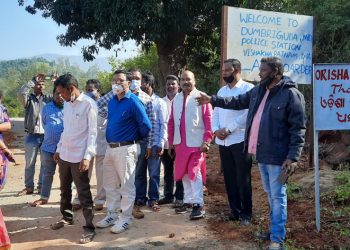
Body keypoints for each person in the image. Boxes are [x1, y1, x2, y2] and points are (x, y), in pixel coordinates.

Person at [196, 57, 306, 250]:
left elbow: (298, 129)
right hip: (262, 154)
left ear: (274, 72)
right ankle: (275, 231)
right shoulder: (259, 91)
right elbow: (236, 101)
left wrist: (293, 157)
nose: (259, 73)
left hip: (279, 156)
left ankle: (277, 241)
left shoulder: (291, 95)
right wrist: (212, 99)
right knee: (271, 195)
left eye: (263, 70)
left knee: (278, 196)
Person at [96, 69, 151, 233]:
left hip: (127, 148)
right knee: (110, 184)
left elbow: (146, 126)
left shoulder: (133, 101)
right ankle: (111, 214)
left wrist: (134, 139)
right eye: (114, 81)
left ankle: (125, 218)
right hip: (111, 148)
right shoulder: (112, 101)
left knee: (126, 186)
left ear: (128, 83)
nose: (117, 84)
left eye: (120, 81)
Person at [51, 73, 97, 244]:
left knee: (84, 193)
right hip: (65, 155)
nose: (60, 96)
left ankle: (89, 227)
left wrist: (87, 156)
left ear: (71, 89)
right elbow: (66, 129)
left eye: (61, 92)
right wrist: (59, 148)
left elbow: (93, 133)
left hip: (79, 156)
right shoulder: (68, 105)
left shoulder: (89, 105)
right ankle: (67, 217)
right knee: (64, 189)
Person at [212, 59, 254, 225]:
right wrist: (216, 130)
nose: (224, 73)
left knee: (243, 178)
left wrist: (228, 129)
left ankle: (246, 214)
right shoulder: (221, 91)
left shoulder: (248, 89)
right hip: (223, 142)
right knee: (229, 178)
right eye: (223, 71)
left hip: (239, 140)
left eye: (227, 70)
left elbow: (247, 114)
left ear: (237, 70)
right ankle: (234, 211)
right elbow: (215, 113)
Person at [168, 70, 213, 220]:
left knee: (194, 172)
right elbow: (172, 122)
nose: (186, 82)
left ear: (194, 81)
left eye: (189, 79)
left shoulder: (202, 97)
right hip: (180, 143)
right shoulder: (177, 99)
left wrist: (207, 140)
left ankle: (199, 205)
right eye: (183, 80)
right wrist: (171, 143)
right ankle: (188, 201)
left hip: (197, 143)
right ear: (180, 83)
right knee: (184, 173)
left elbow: (209, 121)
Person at [71, 79, 107, 211]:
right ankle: (79, 198)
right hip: (86, 146)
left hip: (103, 145)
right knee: (83, 173)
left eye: (91, 90)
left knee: (101, 175)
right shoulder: (84, 105)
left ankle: (100, 200)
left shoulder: (106, 106)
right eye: (86, 90)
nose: (88, 92)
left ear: (99, 91)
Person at [135, 72, 168, 211]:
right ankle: (140, 197)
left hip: (154, 143)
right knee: (139, 173)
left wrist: (161, 142)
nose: (141, 86)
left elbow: (163, 124)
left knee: (154, 173)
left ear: (151, 84)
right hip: (139, 143)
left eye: (144, 83)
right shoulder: (136, 101)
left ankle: (153, 199)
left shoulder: (159, 102)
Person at [17, 74, 52, 195]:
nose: (40, 86)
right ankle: (29, 187)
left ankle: (41, 187)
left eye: (42, 84)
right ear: (34, 86)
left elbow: (60, 94)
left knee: (44, 162)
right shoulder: (29, 99)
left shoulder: (48, 98)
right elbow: (21, 93)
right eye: (38, 84)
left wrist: (55, 79)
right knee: (30, 163)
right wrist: (32, 80)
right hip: (32, 135)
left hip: (46, 136)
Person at [30, 86, 64, 206]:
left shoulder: (71, 107)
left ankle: (65, 199)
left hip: (65, 150)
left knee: (65, 176)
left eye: (61, 93)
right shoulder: (47, 108)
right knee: (47, 174)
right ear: (53, 94)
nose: (59, 96)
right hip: (48, 148)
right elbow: (45, 124)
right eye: (57, 93)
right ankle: (44, 197)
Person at [158, 75, 184, 207]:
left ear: (178, 86)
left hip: (180, 142)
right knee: (167, 169)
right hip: (166, 143)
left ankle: (180, 196)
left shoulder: (183, 100)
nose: (170, 86)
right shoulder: (161, 102)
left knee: (180, 169)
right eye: (168, 84)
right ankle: (168, 195)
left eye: (173, 84)